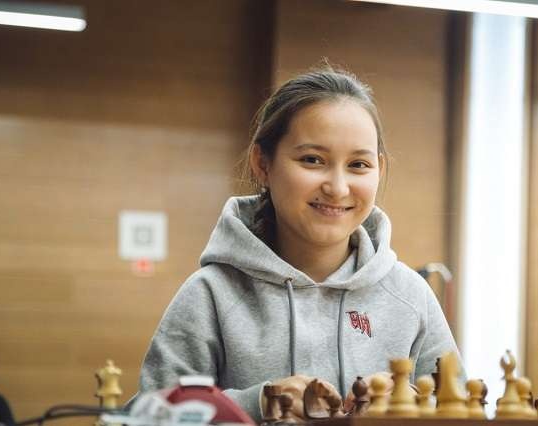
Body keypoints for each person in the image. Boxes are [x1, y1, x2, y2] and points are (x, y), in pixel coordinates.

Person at [139, 65, 460, 422]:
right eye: (312, 160)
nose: (337, 188)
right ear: (263, 164)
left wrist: (410, 406)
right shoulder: (210, 295)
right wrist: (259, 403)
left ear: (379, 171)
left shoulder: (411, 296)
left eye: (358, 164)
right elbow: (148, 416)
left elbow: (460, 408)